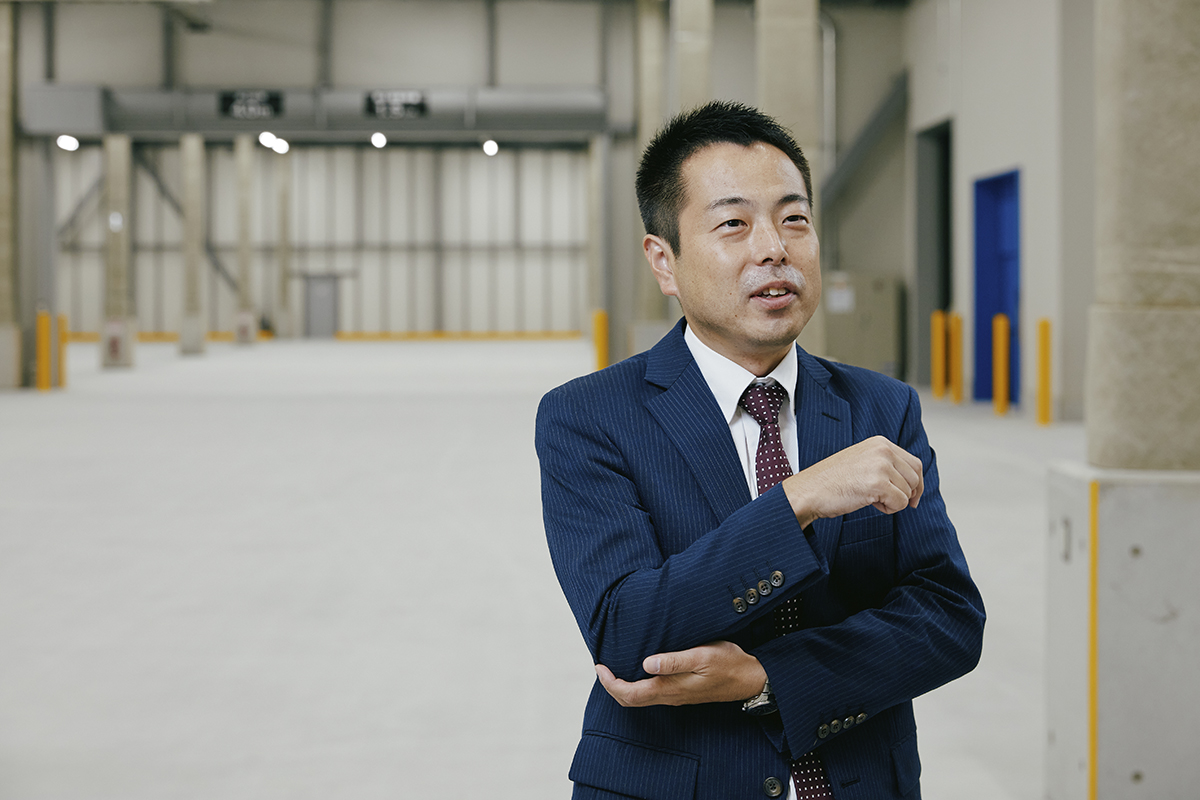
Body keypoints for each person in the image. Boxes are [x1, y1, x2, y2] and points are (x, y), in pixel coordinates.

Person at [535, 101, 984, 800]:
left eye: (794, 219)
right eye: (733, 224)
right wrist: (798, 499)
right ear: (664, 261)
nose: (774, 248)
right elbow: (628, 633)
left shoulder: (881, 407)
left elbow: (948, 619)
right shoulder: (590, 417)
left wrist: (772, 679)